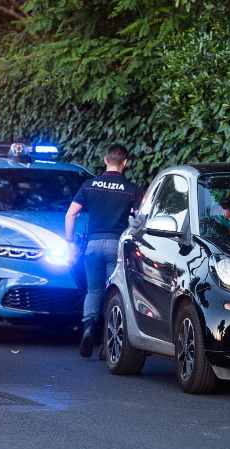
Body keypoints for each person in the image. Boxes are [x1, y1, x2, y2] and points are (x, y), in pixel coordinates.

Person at [65, 145, 141, 358]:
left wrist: (70, 242)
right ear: (125, 163)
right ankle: (108, 344)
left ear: (106, 160)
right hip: (117, 247)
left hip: (92, 246)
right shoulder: (132, 189)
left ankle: (89, 327)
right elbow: (138, 221)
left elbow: (70, 214)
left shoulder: (89, 186)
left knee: (93, 291)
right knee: (112, 293)